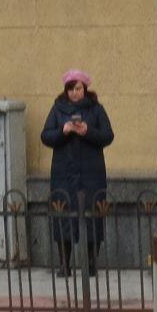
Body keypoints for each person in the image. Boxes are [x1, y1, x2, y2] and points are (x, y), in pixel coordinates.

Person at [40, 69, 114, 276]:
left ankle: (91, 264)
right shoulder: (58, 109)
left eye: (78, 88)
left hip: (92, 172)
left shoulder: (96, 109)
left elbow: (108, 136)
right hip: (64, 172)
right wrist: (63, 131)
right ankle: (65, 264)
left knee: (92, 217)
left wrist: (87, 131)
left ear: (85, 88)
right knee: (64, 217)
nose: (74, 93)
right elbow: (46, 136)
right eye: (70, 89)